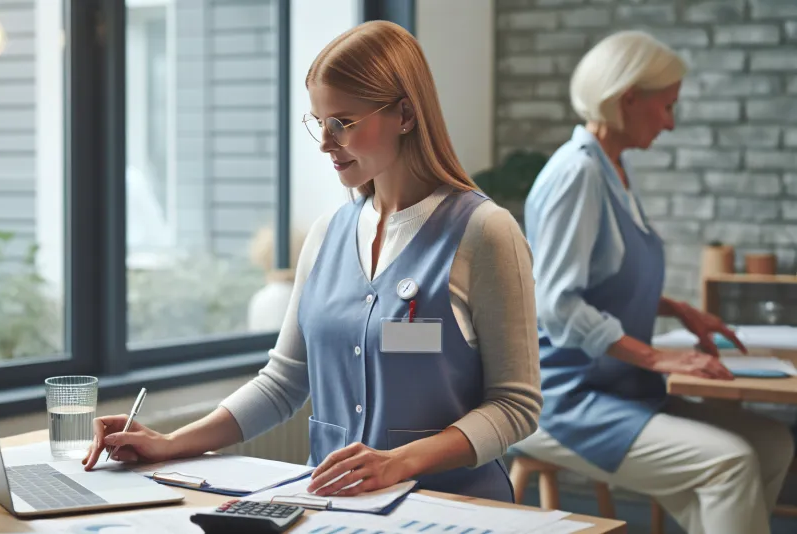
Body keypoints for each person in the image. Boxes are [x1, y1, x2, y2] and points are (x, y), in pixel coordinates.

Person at [82, 20, 541, 502]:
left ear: (405, 114)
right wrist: (170, 443)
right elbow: (283, 383)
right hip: (332, 509)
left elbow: (516, 405)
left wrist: (399, 462)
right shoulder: (327, 235)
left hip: (454, 511)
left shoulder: (485, 232)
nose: (325, 142)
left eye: (343, 122)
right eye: (319, 122)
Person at [515, 30, 794, 534]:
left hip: (618, 387)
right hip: (564, 399)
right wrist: (658, 356)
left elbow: (601, 277)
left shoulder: (613, 169)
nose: (670, 123)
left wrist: (676, 308)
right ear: (628, 98)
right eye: (667, 106)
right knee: (729, 463)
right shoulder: (576, 174)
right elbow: (557, 303)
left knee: (774, 443)